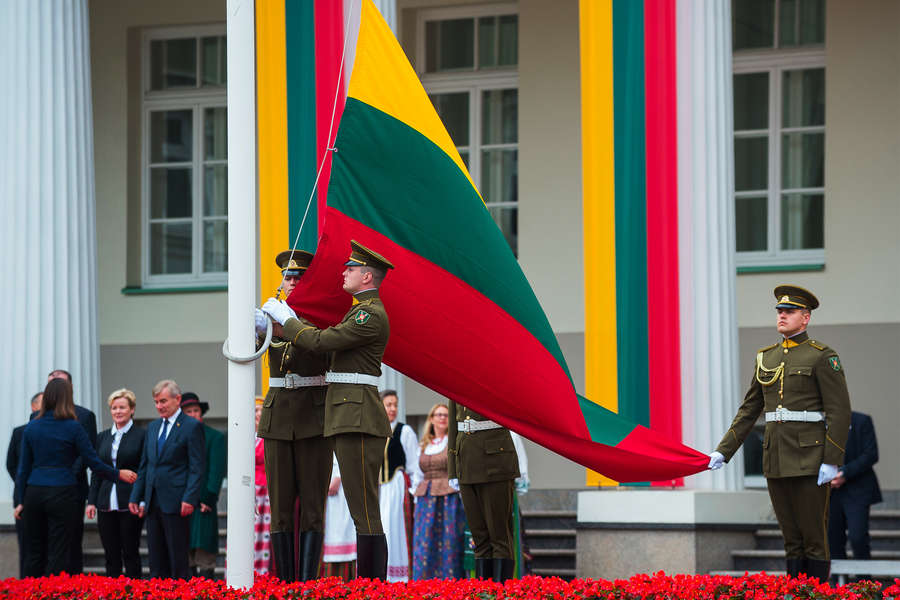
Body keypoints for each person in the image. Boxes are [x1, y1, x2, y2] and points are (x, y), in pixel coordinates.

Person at [261, 240, 394, 579]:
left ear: (366, 276)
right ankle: (365, 583)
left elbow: (321, 344)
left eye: (350, 268)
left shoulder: (367, 313)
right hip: (344, 414)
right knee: (358, 506)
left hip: (356, 415)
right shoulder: (358, 311)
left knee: (363, 507)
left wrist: (288, 322)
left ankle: (371, 584)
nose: (344, 272)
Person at [708, 285, 851, 582]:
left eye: (789, 311)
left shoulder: (823, 356)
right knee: (790, 535)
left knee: (813, 534)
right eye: (779, 311)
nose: (782, 315)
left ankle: (815, 592)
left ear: (806, 318)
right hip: (776, 457)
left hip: (811, 457)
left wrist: (832, 459)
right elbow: (749, 410)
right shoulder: (766, 357)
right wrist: (724, 450)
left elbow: (839, 411)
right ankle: (796, 590)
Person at [256, 249, 331, 582]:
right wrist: (255, 329)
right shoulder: (271, 316)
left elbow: (319, 350)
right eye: (288, 278)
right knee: (280, 508)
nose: (293, 283)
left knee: (313, 508)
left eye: (299, 278)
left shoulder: (322, 317)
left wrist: (289, 323)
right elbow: (247, 351)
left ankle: (307, 583)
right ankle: (286, 583)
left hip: (313, 417)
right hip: (277, 417)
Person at [13, 378, 136, 576]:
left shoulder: (32, 427)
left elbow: (23, 469)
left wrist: (19, 500)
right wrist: (117, 474)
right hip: (63, 492)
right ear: (67, 398)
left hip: (33, 493)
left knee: (34, 552)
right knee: (59, 551)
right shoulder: (73, 427)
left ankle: (32, 594)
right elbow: (93, 462)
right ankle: (53, 594)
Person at [128, 379, 206, 580]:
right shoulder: (153, 427)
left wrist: (189, 498)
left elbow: (197, 467)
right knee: (156, 557)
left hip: (177, 500)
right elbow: (145, 465)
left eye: (163, 401)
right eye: (156, 402)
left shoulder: (191, 426)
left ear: (177, 399)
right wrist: (136, 496)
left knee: (178, 558)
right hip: (153, 501)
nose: (159, 406)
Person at [448, 399, 520, 582]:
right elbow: (453, 425)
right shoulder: (455, 377)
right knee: (479, 538)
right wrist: (452, 468)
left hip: (494, 460)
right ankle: (484, 592)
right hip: (465, 461)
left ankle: (502, 591)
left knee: (499, 536)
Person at [85, 388, 146, 578]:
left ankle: (135, 592)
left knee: (130, 552)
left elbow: (144, 469)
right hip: (105, 502)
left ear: (132, 410)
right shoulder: (102, 437)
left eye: (122, 407)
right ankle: (113, 591)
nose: (118, 411)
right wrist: (92, 501)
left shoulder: (141, 435)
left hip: (130, 501)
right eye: (114, 408)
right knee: (111, 554)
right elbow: (97, 471)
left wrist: (142, 499)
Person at [45, 369, 98, 574]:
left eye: (59, 383)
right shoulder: (37, 416)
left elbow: (87, 453)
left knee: (72, 543)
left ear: (71, 387)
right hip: (43, 489)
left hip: (72, 488)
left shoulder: (84, 416)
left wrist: (65, 475)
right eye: (51, 383)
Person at [412, 403, 466, 579]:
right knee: (424, 541)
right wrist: (415, 498)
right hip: (425, 498)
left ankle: (450, 583)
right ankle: (424, 583)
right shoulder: (423, 445)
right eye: (439, 414)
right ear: (432, 419)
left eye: (445, 415)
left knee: (449, 540)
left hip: (448, 498)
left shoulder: (453, 441)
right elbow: (416, 473)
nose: (442, 418)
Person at [828, 410, 882, 567]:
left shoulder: (861, 420)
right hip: (830, 492)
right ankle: (839, 587)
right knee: (833, 540)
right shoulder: (819, 424)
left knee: (858, 537)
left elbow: (871, 454)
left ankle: (864, 585)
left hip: (858, 489)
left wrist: (844, 473)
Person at [181, 392, 226, 579]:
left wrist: (209, 496)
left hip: (204, 501)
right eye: (188, 411)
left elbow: (216, 470)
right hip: (182, 500)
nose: (192, 414)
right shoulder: (177, 436)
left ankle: (206, 590)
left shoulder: (214, 437)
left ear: (201, 413)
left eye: (195, 410)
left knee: (204, 549)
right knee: (184, 550)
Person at [378, 389, 421, 582]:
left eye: (395, 404)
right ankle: (379, 572)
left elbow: (414, 464)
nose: (393, 409)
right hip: (377, 490)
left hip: (395, 487)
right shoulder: (374, 431)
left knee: (393, 529)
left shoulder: (404, 431)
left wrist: (413, 492)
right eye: (389, 405)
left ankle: (397, 575)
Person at [6, 392, 42, 578]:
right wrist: (26, 486)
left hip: (49, 496)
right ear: (33, 407)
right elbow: (11, 464)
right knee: (27, 547)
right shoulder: (20, 432)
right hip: (24, 496)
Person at [320, 453, 357, 581]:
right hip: (326, 479)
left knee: (341, 530)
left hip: (342, 484)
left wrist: (339, 477)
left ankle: (345, 577)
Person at [253, 397, 272, 576]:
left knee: (264, 537)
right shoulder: (245, 437)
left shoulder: (269, 436)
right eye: (255, 411)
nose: (259, 414)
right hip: (250, 490)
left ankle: (264, 576)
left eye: (261, 410)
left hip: (266, 491)